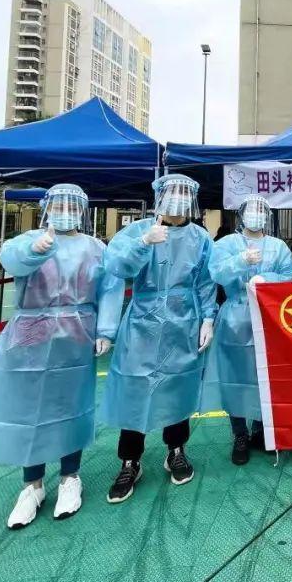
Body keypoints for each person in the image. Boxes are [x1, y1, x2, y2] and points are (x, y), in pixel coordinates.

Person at [0, 184, 124, 529]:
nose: (65, 212)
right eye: (59, 205)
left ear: (82, 211)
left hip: (76, 333)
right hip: (31, 333)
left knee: (71, 406)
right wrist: (35, 250)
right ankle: (31, 485)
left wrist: (106, 331)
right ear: (47, 208)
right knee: (28, 409)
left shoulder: (96, 248)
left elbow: (110, 289)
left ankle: (70, 477)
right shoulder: (29, 240)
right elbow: (11, 259)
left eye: (72, 206)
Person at [102, 173, 216, 502]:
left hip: (184, 320)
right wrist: (143, 243)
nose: (178, 199)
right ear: (160, 196)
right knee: (135, 387)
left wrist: (208, 318)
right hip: (142, 323)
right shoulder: (140, 230)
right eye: (172, 192)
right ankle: (130, 460)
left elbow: (206, 281)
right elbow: (116, 266)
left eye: (184, 193)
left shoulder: (200, 237)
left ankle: (176, 450)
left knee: (178, 385)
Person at [201, 195, 292, 465]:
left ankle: (261, 428)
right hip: (235, 318)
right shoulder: (227, 244)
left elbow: (288, 275)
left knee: (265, 376)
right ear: (241, 215)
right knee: (236, 377)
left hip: (268, 317)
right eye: (251, 210)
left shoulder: (278, 247)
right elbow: (216, 273)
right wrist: (240, 261)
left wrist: (266, 279)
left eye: (261, 210)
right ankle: (239, 433)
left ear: (267, 217)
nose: (256, 215)